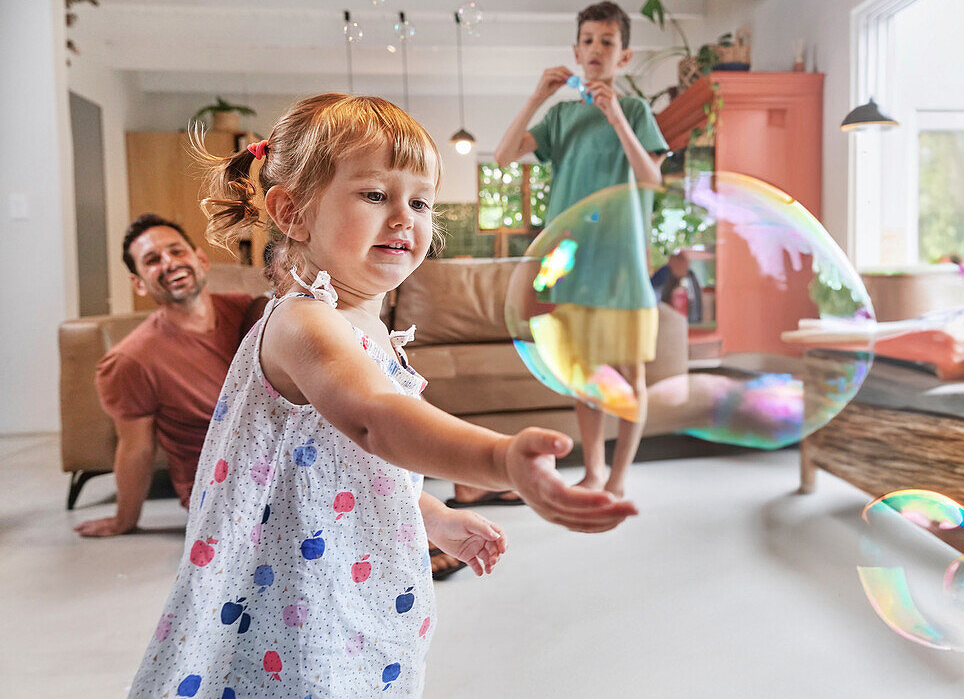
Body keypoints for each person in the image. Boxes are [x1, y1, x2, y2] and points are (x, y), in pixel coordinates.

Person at [126, 94, 637, 698]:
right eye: (375, 195)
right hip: (296, 615)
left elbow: (351, 472)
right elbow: (376, 421)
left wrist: (434, 519)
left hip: (357, 593)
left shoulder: (370, 329)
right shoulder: (304, 323)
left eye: (420, 201)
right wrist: (498, 459)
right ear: (292, 212)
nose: (405, 217)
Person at [493, 1, 668, 498]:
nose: (596, 49)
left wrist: (616, 117)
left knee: (630, 375)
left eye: (607, 41)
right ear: (575, 49)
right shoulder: (562, 116)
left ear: (624, 56)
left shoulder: (635, 111)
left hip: (621, 264)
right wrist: (536, 97)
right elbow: (505, 155)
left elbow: (651, 179)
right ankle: (592, 471)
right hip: (567, 263)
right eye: (588, 40)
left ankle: (618, 477)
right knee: (583, 375)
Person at [74, 214, 265, 537]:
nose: (169, 263)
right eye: (152, 260)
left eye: (176, 251)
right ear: (138, 282)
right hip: (222, 496)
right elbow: (136, 448)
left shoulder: (249, 310)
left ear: (200, 259)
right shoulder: (130, 360)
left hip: (286, 464)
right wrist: (125, 519)